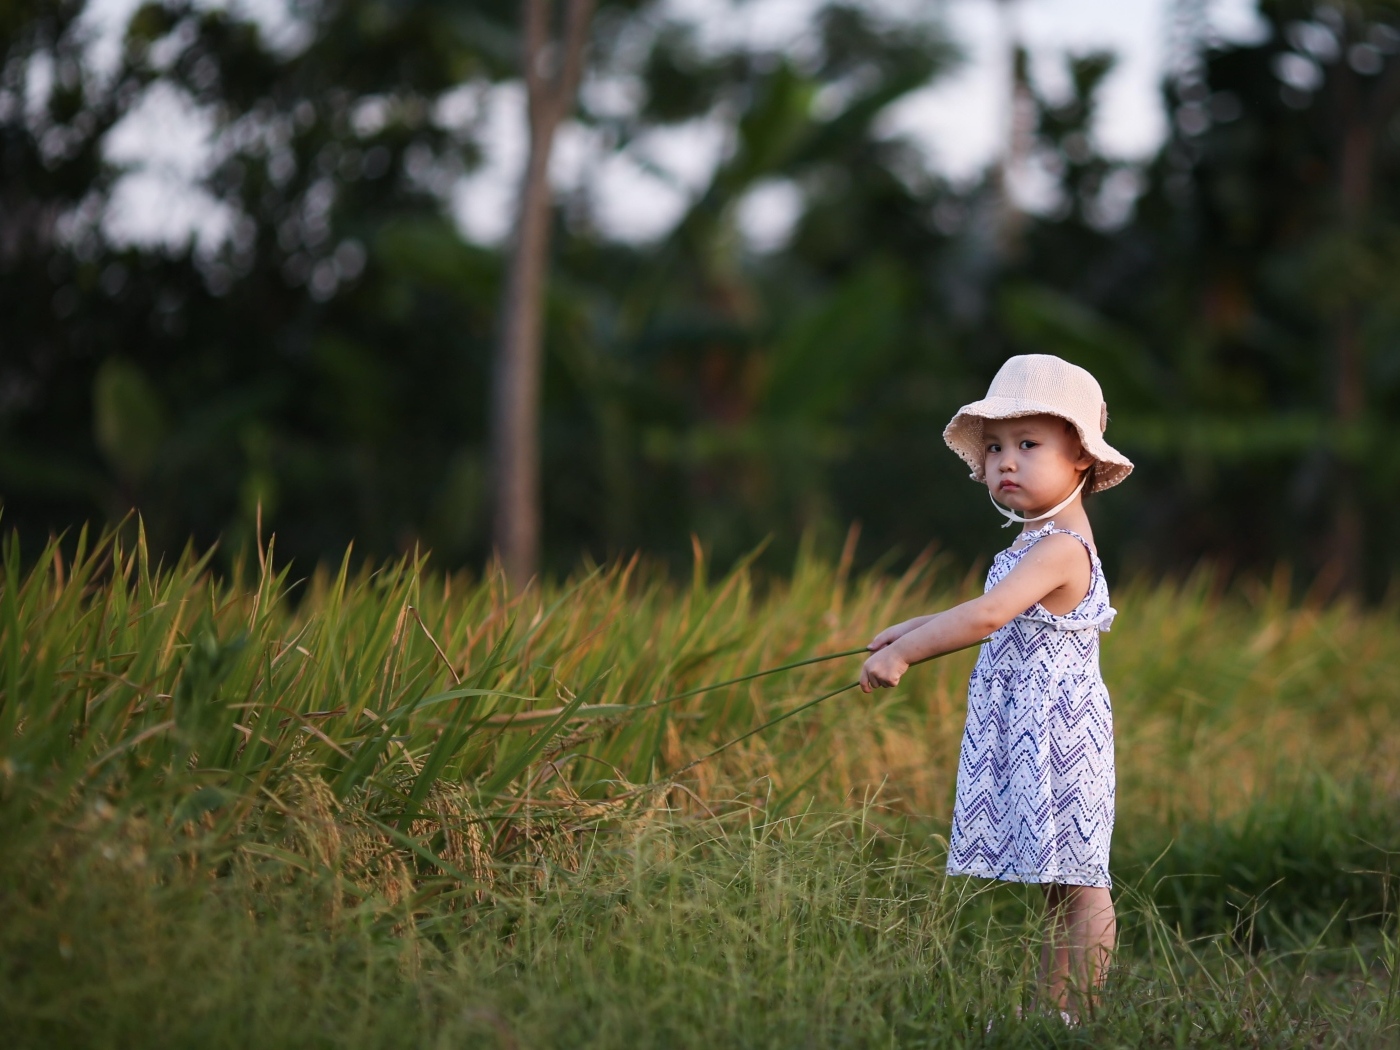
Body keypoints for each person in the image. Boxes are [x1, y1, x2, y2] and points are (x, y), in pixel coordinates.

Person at [859, 354, 1133, 1023]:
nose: (1006, 461)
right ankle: (1051, 1010)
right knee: (1056, 884)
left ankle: (1079, 1014)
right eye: (995, 447)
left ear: (1080, 457)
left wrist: (907, 655)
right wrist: (909, 629)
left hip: (1061, 738)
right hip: (1034, 732)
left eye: (1028, 444)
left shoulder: (1061, 547)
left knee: (1081, 883)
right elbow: (994, 612)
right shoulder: (1033, 543)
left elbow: (987, 617)